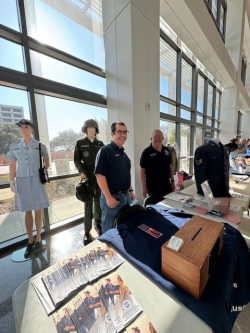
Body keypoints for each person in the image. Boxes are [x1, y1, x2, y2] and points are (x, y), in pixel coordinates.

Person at [7, 119, 50, 258]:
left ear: (31, 129)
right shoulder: (15, 147)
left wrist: (43, 169)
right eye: (22, 127)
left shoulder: (40, 146)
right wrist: (11, 180)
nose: (24, 129)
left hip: (37, 181)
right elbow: (12, 165)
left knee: (38, 210)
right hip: (22, 181)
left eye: (26, 127)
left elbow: (47, 161)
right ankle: (30, 241)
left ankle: (38, 239)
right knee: (27, 211)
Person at [95, 121, 136, 233]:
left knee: (122, 228)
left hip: (125, 197)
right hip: (113, 199)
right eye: (119, 132)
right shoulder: (105, 150)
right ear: (113, 134)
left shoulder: (123, 153)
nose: (123, 135)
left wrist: (131, 190)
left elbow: (126, 174)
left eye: (125, 132)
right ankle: (106, 249)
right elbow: (99, 176)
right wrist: (108, 197)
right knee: (108, 231)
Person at [74, 119, 104, 245]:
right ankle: (87, 232)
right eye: (89, 128)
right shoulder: (80, 143)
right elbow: (76, 160)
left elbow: (104, 160)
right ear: (85, 129)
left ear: (96, 130)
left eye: (93, 128)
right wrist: (81, 172)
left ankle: (98, 226)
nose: (92, 130)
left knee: (98, 203)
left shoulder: (100, 143)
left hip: (98, 176)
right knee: (88, 205)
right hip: (87, 177)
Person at [140, 129, 175, 204]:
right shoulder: (146, 152)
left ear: (163, 138)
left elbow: (170, 166)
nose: (157, 139)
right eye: (155, 137)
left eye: (159, 137)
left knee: (168, 207)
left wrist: (172, 181)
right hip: (153, 188)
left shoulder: (167, 151)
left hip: (166, 187)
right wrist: (144, 187)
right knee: (155, 209)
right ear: (151, 139)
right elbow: (142, 170)